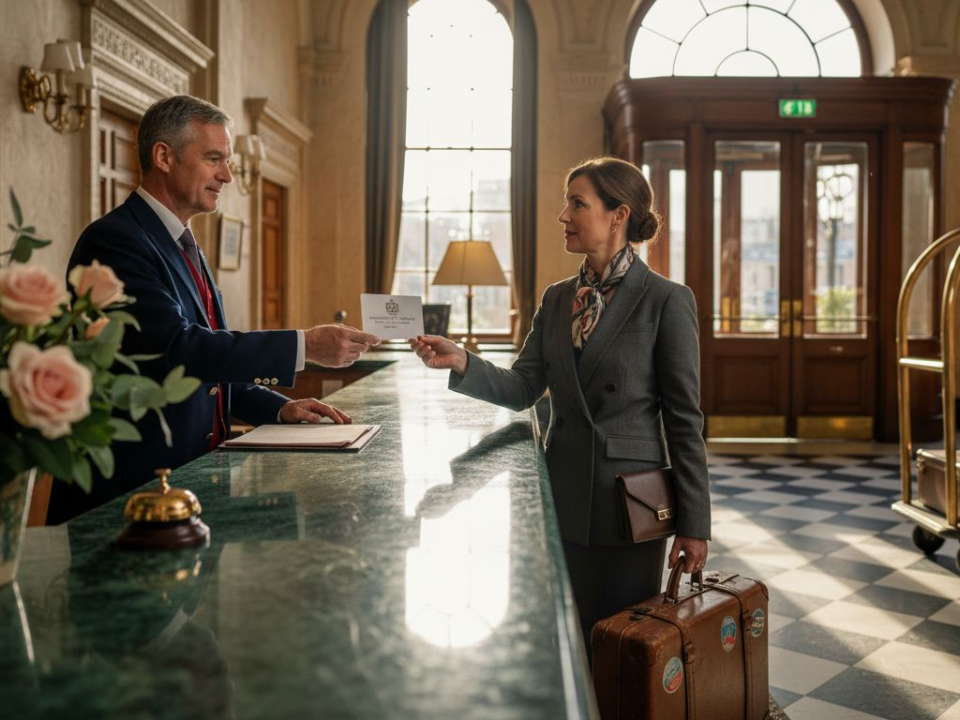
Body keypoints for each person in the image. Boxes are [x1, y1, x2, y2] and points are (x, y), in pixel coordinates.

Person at [410, 157, 711, 649]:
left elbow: (685, 420)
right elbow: (523, 387)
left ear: (619, 215)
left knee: (623, 645)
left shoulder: (666, 300)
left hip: (631, 508)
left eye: (577, 203)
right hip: (563, 496)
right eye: (565, 203)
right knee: (566, 641)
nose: (563, 216)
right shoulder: (557, 299)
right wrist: (461, 360)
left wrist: (694, 524)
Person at [47, 94, 381, 524]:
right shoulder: (116, 241)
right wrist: (305, 344)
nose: (226, 175)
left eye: (227, 161)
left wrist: (278, 408)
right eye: (213, 158)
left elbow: (204, 370)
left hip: (190, 488)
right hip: (131, 495)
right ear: (164, 156)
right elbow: (175, 349)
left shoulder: (183, 242)